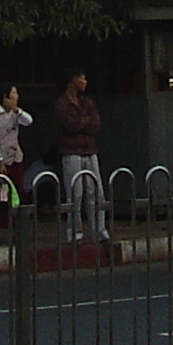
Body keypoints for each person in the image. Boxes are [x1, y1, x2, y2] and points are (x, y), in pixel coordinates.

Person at [52, 69, 108, 245]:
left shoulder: (87, 101)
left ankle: (99, 230)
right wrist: (85, 121)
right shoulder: (62, 104)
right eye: (81, 78)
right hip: (71, 151)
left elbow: (96, 124)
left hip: (89, 150)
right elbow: (71, 125)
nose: (85, 81)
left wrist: (82, 122)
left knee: (96, 192)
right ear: (72, 80)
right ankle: (75, 233)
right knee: (75, 194)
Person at [0, 83, 34, 225]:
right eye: (13, 93)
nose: (16, 97)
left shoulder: (16, 114)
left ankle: (15, 227)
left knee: (16, 193)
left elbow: (29, 121)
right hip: (0, 159)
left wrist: (17, 110)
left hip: (15, 157)